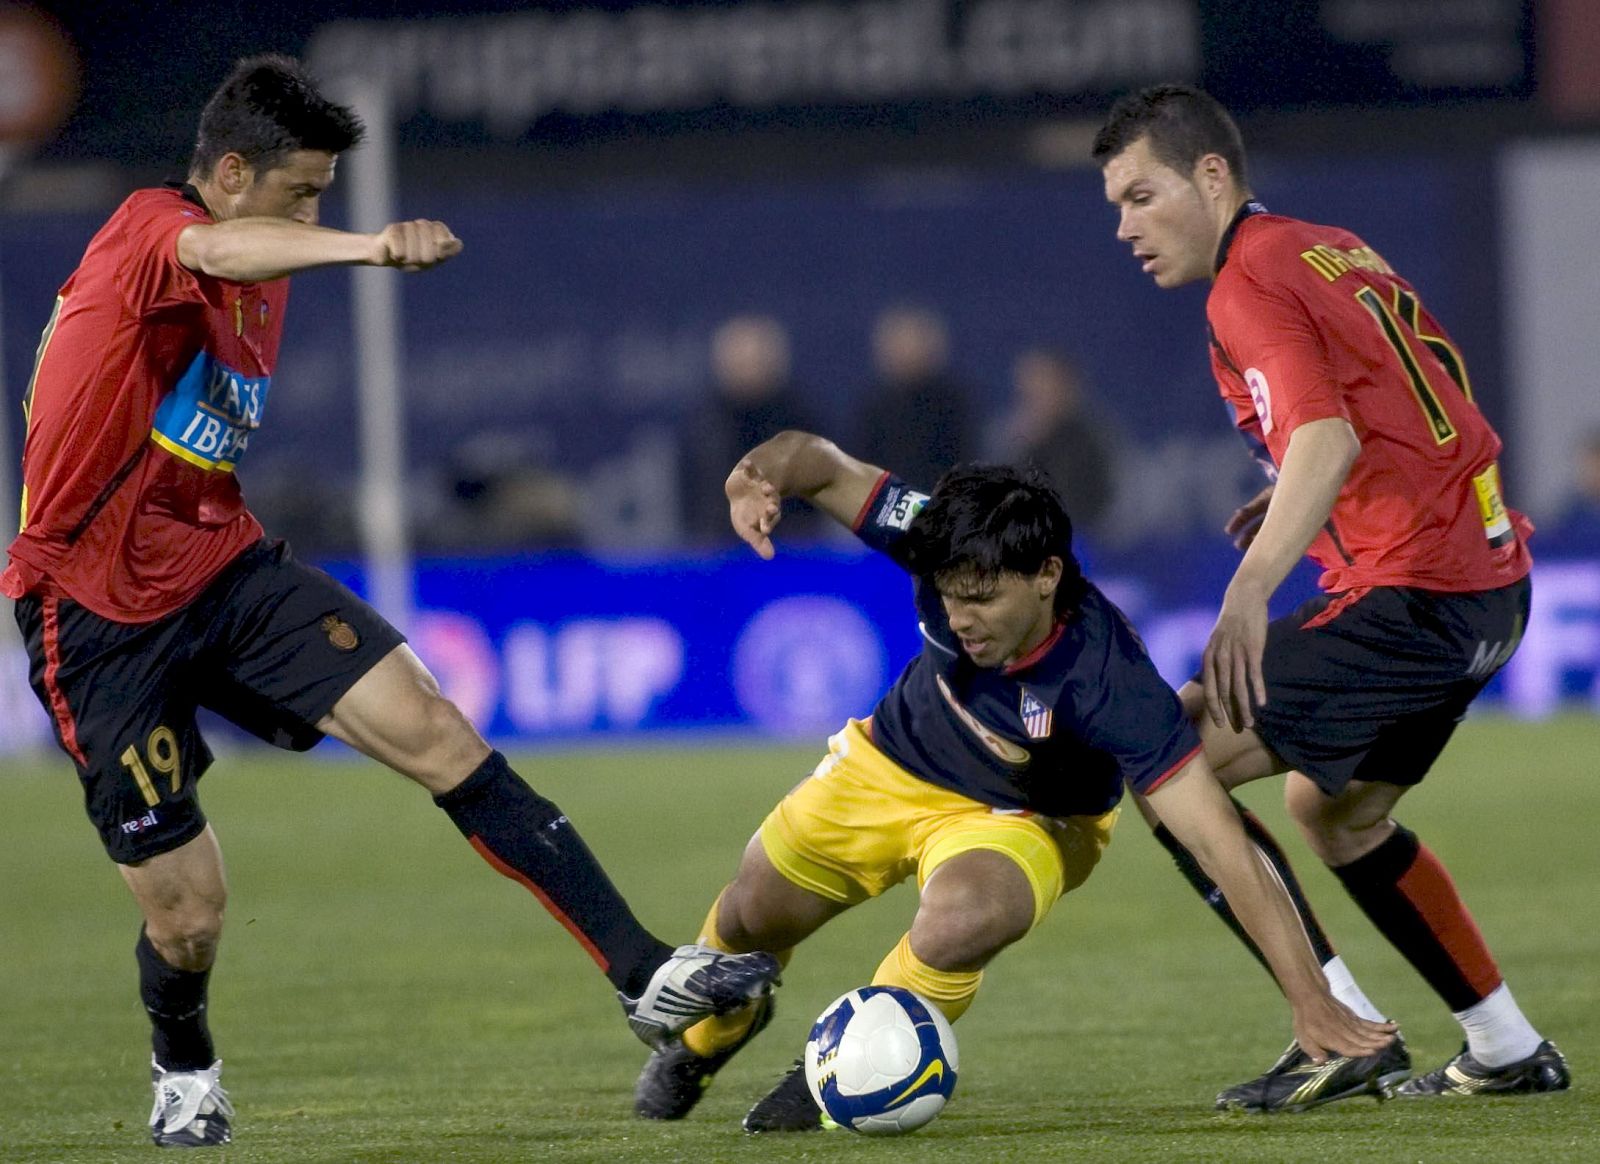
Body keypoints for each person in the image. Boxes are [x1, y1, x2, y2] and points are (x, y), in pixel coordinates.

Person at [2, 55, 778, 1149]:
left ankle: (644, 975)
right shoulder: (151, 226)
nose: (315, 210)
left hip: (221, 567)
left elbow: (237, 272)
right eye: (302, 192)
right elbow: (215, 246)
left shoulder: (259, 257)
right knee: (188, 919)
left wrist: (320, 235)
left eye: (327, 193)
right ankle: (184, 1064)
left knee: (435, 727)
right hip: (90, 612)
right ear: (230, 174)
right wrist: (365, 244)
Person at [631, 430, 1394, 1132]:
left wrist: (1309, 1001)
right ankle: (709, 1037)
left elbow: (1220, 843)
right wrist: (751, 477)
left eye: (983, 599)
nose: (961, 618)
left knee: (965, 916)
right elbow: (816, 462)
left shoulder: (1111, 681)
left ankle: (847, 1060)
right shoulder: (938, 535)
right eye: (950, 595)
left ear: (1046, 577)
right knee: (752, 916)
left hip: (1030, 819)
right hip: (891, 761)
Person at [1094, 84, 1570, 1110]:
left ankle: (1337, 1033)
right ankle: (1504, 1046)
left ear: (1210, 175)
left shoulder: (1243, 285)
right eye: (1115, 206)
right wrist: (1309, 497)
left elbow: (1326, 433)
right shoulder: (1327, 247)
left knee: (1166, 759)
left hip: (1413, 595)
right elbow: (1421, 392)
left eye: (1140, 195)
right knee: (1337, 812)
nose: (1125, 228)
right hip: (1488, 586)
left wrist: (1249, 587)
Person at [682, 314, 820, 545]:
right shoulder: (706, 428)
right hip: (722, 552)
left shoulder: (799, 425)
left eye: (755, 361)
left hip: (791, 554)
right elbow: (694, 495)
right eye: (739, 362)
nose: (747, 370)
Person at [983, 348, 1116, 534]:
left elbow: (1075, 503)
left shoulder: (1088, 441)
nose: (1033, 395)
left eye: (1042, 385)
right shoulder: (1011, 437)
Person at [858, 306, 971, 491]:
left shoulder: (952, 405)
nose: (904, 351)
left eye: (911, 342)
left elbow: (964, 461)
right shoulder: (874, 408)